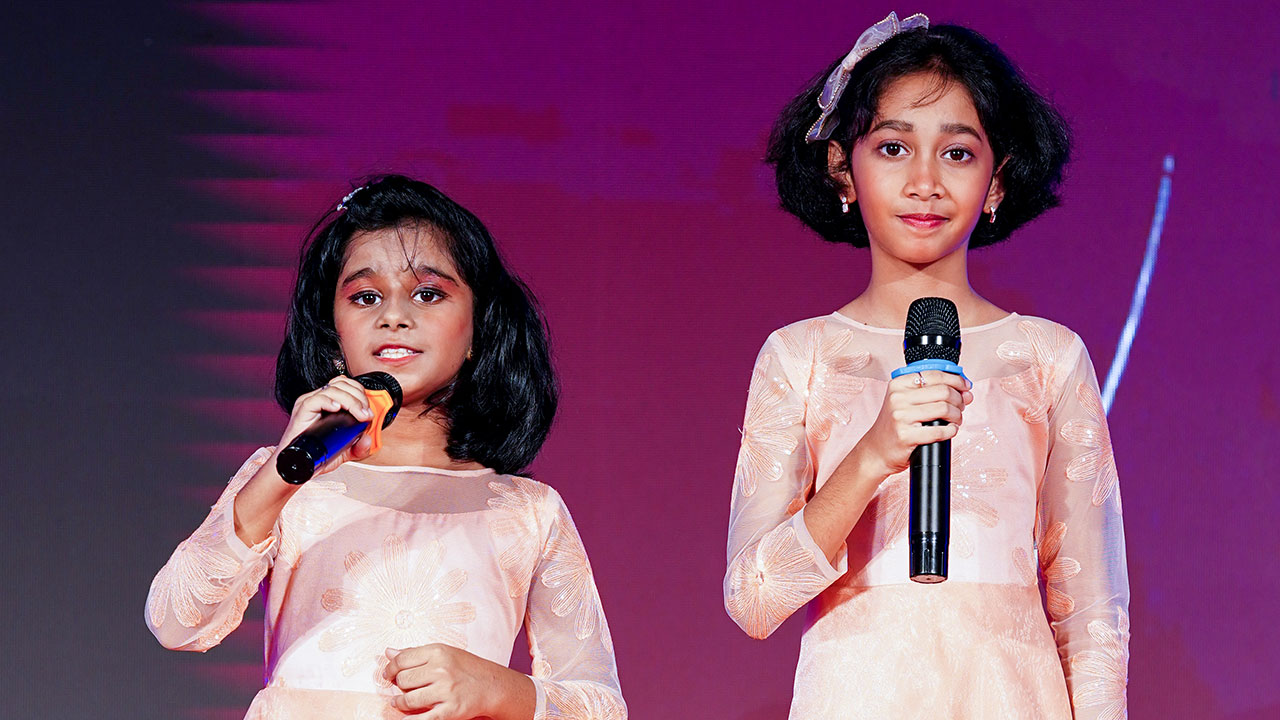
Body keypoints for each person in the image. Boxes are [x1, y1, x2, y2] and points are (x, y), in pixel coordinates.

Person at [723, 13, 1128, 720]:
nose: (924, 182)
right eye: (893, 147)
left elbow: (1091, 612)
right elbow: (754, 601)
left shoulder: (1048, 358)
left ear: (997, 181)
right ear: (842, 168)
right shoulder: (800, 357)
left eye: (958, 153)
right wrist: (872, 455)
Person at [147, 175, 626, 720]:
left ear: (478, 330)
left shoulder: (528, 512)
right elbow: (176, 622)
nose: (393, 316)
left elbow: (602, 707)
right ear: (334, 332)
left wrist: (498, 689)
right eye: (365, 297)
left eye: (428, 293)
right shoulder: (285, 477)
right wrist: (282, 474)